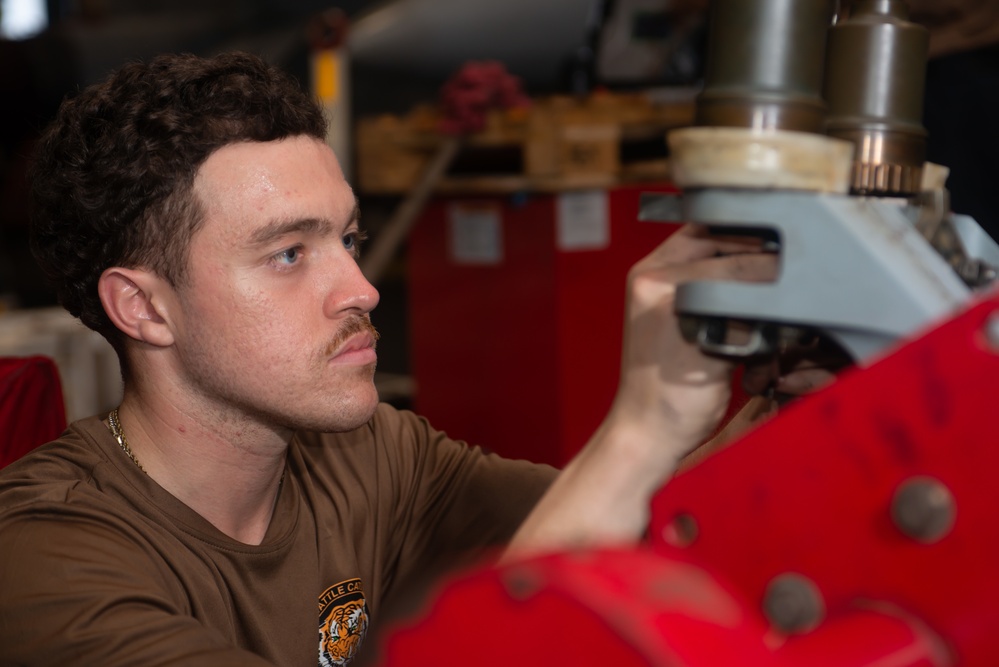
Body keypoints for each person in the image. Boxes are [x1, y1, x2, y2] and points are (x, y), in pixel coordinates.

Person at [0, 51, 779, 666]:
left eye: (347, 240)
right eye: (287, 254)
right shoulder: (42, 559)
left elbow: (642, 526)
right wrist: (637, 429)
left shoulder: (369, 455)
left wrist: (782, 403)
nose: (363, 289)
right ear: (143, 308)